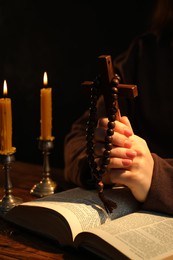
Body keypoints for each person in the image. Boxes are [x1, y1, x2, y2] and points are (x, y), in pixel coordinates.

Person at [64, 0, 173, 216]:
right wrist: (103, 165)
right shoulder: (144, 54)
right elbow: (76, 140)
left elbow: (156, 177)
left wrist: (156, 177)